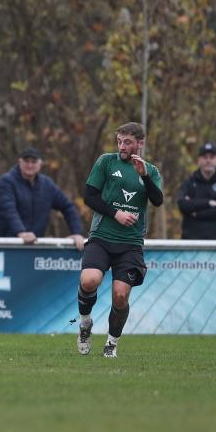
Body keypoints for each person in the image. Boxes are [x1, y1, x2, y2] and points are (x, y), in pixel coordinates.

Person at [76, 122, 163, 358]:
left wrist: (144, 177)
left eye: (127, 142)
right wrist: (116, 213)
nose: (122, 146)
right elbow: (89, 197)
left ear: (140, 143)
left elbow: (157, 201)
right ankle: (85, 324)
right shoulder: (106, 161)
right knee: (89, 280)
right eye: (119, 141)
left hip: (131, 244)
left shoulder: (151, 171)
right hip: (102, 237)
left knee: (121, 295)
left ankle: (111, 342)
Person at [0, 146, 85, 251]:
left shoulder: (47, 185)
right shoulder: (6, 182)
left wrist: (77, 233)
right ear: (19, 162)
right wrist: (21, 232)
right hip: (3, 247)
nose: (30, 165)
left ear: (40, 164)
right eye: (26, 161)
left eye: (34, 162)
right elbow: (8, 210)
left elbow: (68, 207)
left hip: (33, 249)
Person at [177, 142, 216, 240]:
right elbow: (182, 204)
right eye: (205, 157)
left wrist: (197, 213)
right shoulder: (189, 182)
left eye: (211, 157)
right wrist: (209, 203)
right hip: (190, 244)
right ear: (199, 160)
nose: (208, 160)